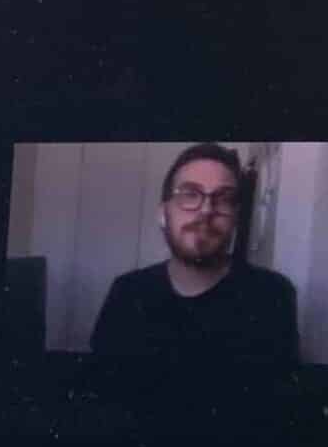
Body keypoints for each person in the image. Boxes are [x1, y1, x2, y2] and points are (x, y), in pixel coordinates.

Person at [89, 144, 300, 365]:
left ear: (235, 217)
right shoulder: (127, 293)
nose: (207, 210)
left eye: (223, 198)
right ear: (163, 214)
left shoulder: (272, 296)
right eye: (189, 194)